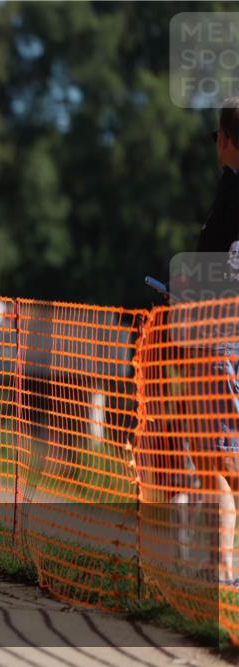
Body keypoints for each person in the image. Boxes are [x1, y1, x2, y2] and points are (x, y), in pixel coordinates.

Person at [192, 97, 239, 583]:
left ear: (227, 139)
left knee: (222, 457)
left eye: (216, 137)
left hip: (223, 334)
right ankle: (217, 562)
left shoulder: (233, 197)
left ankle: (222, 565)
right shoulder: (229, 188)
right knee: (215, 454)